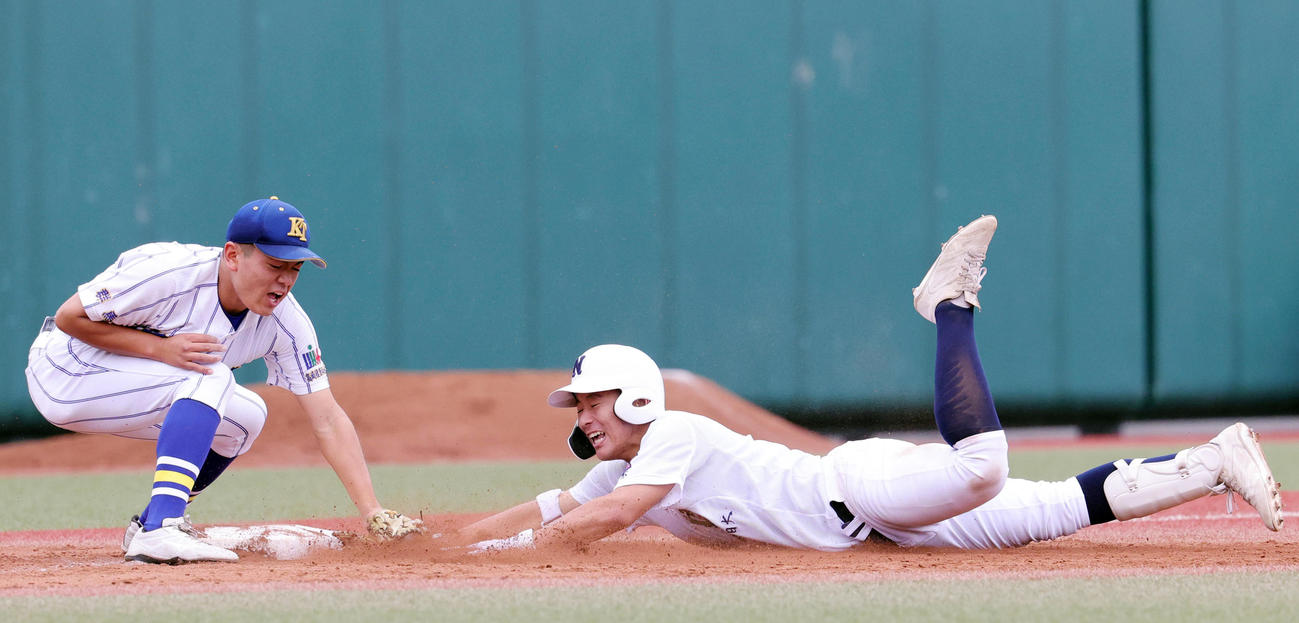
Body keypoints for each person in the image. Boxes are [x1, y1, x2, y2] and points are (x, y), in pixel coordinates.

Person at [448, 215, 1283, 553]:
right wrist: (459, 547)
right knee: (1055, 509)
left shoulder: (670, 437)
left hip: (855, 487)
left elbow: (609, 516)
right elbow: (559, 503)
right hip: (884, 532)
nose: (582, 414)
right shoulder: (620, 470)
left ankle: (946, 306)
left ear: (631, 396)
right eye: (579, 404)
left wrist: (522, 556)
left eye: (589, 399)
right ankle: (1215, 457)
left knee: (983, 469)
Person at [25, 196, 422, 564]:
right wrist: (161, 350)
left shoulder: (286, 322)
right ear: (233, 255)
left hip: (122, 385)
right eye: (274, 265)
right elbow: (68, 318)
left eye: (294, 269)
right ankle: (163, 529)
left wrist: (372, 510)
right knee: (210, 374)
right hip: (66, 371)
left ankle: (148, 524)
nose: (285, 281)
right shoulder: (169, 271)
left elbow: (327, 418)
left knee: (247, 417)